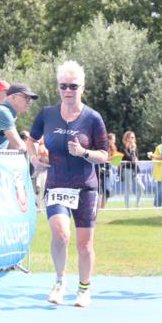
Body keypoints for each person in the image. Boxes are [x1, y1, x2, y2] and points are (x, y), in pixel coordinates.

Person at [27, 61, 109, 307]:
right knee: (60, 234)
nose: (68, 91)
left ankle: (84, 288)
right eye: (63, 86)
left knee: (84, 244)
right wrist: (34, 158)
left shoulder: (93, 118)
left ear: (82, 88)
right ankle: (60, 281)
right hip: (56, 185)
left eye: (73, 86)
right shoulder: (47, 114)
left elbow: (104, 154)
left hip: (85, 187)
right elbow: (31, 140)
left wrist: (84, 152)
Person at [0, 83, 35, 150]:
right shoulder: (3, 112)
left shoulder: (7, 112)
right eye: (26, 98)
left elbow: (11, 146)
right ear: (13, 97)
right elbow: (18, 146)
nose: (29, 102)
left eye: (30, 99)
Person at [120, 130, 145, 208]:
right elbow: (129, 158)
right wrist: (132, 150)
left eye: (134, 137)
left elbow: (136, 159)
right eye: (131, 137)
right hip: (127, 169)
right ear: (127, 138)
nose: (133, 139)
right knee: (128, 189)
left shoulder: (134, 147)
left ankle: (138, 205)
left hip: (136, 170)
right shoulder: (123, 148)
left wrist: (133, 150)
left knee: (141, 187)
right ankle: (127, 207)